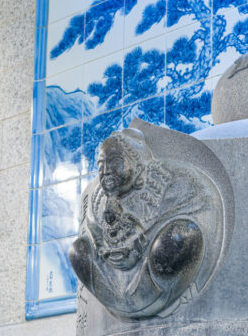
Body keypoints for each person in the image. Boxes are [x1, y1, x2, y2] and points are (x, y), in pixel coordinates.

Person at [70, 128, 216, 319]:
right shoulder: (98, 199)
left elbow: (201, 202)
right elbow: (95, 235)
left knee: (180, 236)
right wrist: (106, 248)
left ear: (138, 167)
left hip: (155, 277)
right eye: (101, 165)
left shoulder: (168, 180)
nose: (106, 171)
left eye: (114, 163)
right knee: (78, 250)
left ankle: (155, 299)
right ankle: (123, 306)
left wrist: (145, 235)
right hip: (113, 284)